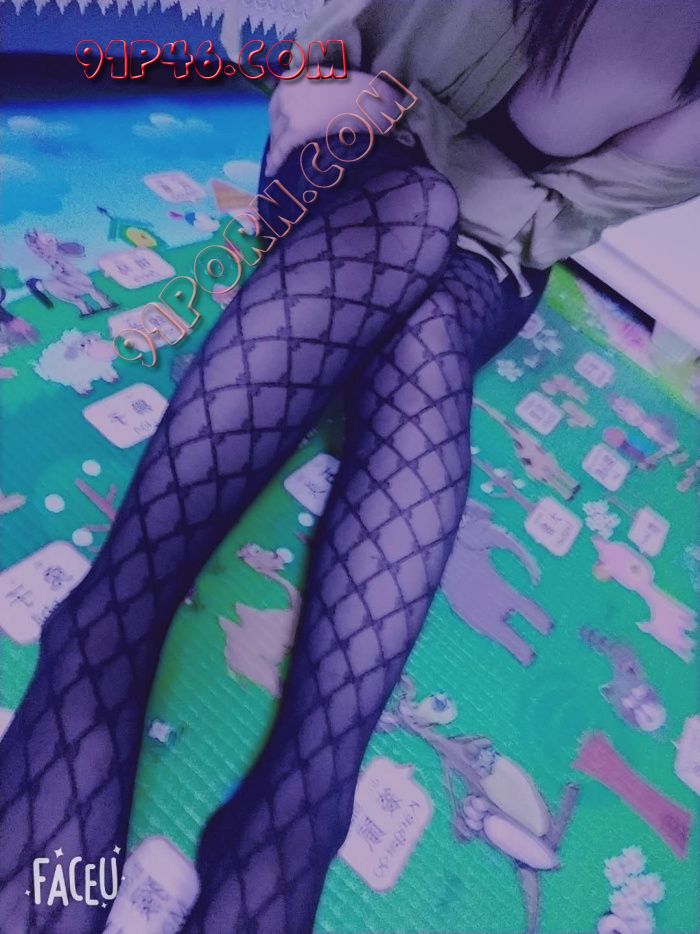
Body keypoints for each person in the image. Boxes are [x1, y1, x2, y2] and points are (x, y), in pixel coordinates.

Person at [1, 1, 698, 931]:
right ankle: (107, 638)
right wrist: (359, 108)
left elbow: (568, 212)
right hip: (350, 151)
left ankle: (307, 789)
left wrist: (459, 196)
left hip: (497, 249)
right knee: (415, 209)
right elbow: (338, 57)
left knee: (430, 326)